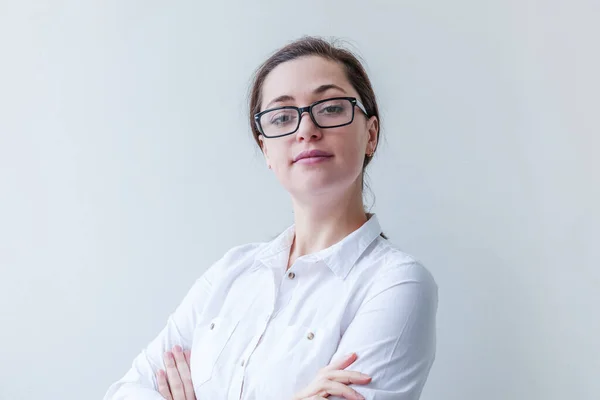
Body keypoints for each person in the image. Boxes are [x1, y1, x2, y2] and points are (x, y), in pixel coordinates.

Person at [103, 36, 438, 400]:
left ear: (370, 134)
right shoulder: (229, 274)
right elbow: (124, 392)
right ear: (266, 149)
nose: (306, 130)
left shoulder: (396, 284)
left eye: (330, 108)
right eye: (282, 116)